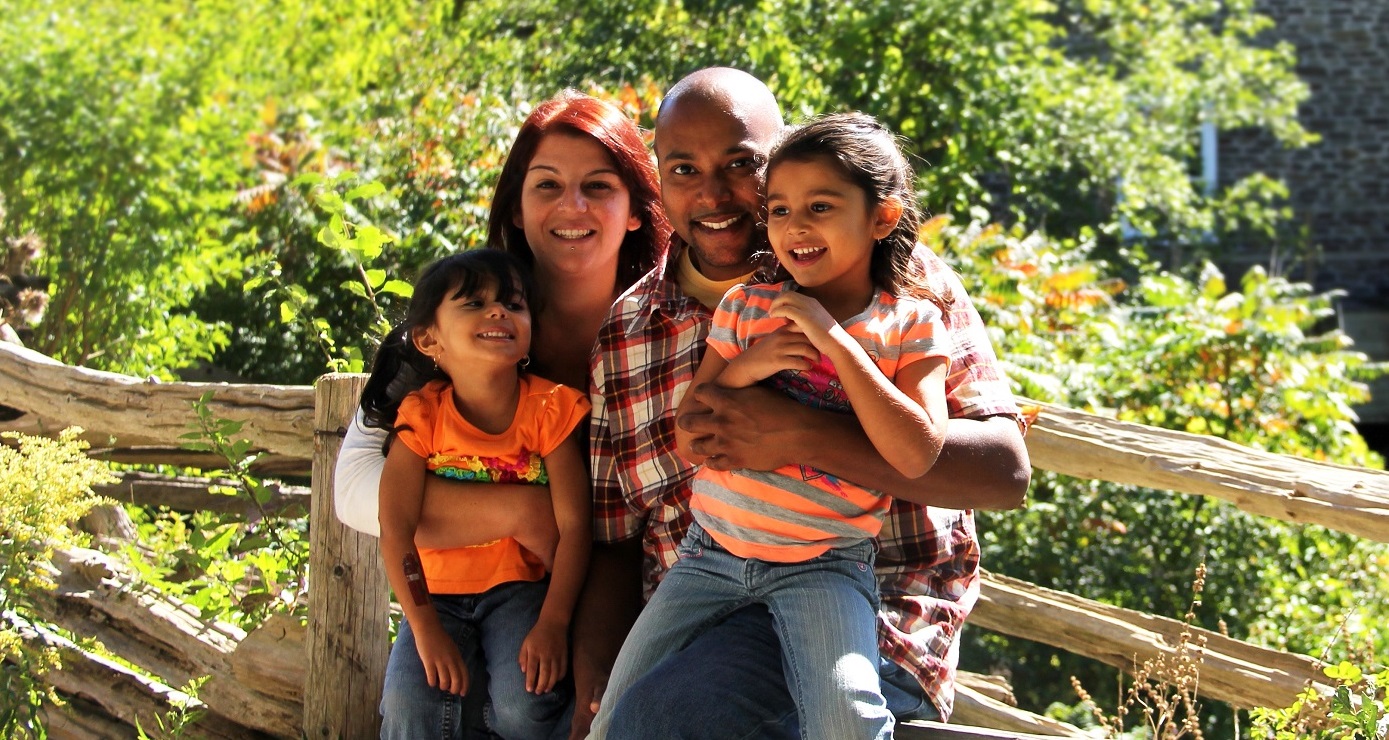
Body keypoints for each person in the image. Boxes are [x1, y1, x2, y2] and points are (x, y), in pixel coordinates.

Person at [573, 67, 1030, 739]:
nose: (712, 193)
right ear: (658, 180)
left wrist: (803, 434)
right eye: (682, 169)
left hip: (865, 595)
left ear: (776, 156)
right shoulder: (631, 326)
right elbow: (615, 539)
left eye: (740, 164)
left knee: (675, 715)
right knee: (631, 713)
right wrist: (592, 687)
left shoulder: (894, 282)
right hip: (703, 589)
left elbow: (1003, 472)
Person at [333, 90, 669, 738]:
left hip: (627, 613)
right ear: (516, 205)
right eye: (548, 185)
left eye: (597, 186)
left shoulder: (663, 334)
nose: (572, 207)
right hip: (465, 607)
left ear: (635, 208)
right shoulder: (455, 329)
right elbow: (351, 492)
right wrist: (518, 511)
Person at [364, 249, 590, 739]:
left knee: (526, 707)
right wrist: (423, 630)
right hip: (435, 596)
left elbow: (576, 526)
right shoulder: (420, 417)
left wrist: (554, 621)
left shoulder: (549, 410)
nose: (498, 312)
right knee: (407, 706)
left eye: (514, 303)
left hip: (521, 591)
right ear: (428, 339)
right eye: (473, 304)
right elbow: (395, 526)